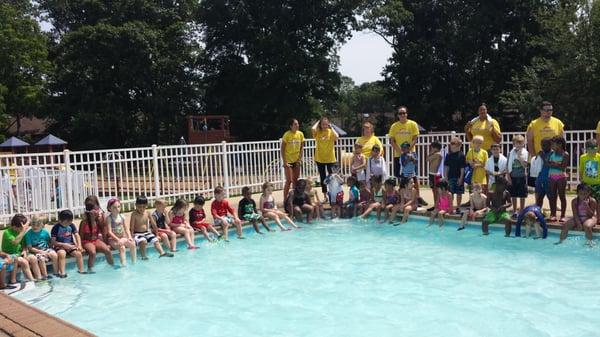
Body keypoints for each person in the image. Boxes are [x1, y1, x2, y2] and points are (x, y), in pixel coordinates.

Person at [80, 201, 115, 273]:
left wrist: (106, 243)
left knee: (107, 250)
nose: (98, 211)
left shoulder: (98, 220)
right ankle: (90, 270)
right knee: (92, 252)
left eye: (98, 209)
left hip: (96, 240)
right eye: (96, 210)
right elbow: (80, 235)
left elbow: (103, 231)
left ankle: (112, 266)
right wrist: (80, 246)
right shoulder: (84, 222)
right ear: (90, 211)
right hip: (86, 241)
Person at [2, 214, 38, 282]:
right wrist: (23, 231)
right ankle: (32, 280)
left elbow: (23, 245)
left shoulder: (21, 232)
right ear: (14, 227)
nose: (23, 229)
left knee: (33, 258)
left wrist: (24, 250)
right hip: (10, 255)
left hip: (19, 254)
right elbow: (15, 242)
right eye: (21, 228)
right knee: (24, 262)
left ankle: (39, 277)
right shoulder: (7, 232)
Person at [51, 210, 85, 275]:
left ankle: (81, 271)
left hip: (70, 245)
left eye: (69, 222)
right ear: (60, 220)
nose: (67, 224)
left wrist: (79, 245)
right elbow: (53, 242)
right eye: (66, 223)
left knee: (78, 254)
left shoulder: (71, 225)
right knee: (61, 254)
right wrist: (64, 245)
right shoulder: (55, 228)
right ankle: (62, 273)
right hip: (60, 246)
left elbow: (77, 235)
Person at [389, 106, 420, 176]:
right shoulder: (394, 126)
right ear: (398, 115)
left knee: (413, 175)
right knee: (399, 175)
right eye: (400, 113)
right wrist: (401, 152)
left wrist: (407, 151)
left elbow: (415, 139)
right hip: (398, 154)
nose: (402, 115)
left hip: (411, 154)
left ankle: (415, 187)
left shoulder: (413, 124)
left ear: (407, 114)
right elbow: (392, 141)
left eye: (404, 113)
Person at [312, 116, 339, 197]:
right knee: (322, 177)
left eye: (326, 124)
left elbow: (337, 136)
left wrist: (331, 127)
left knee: (332, 177)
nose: (324, 126)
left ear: (328, 124)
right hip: (320, 158)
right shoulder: (318, 132)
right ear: (320, 125)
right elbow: (313, 129)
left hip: (330, 158)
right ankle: (325, 195)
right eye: (323, 124)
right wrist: (318, 122)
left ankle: (332, 194)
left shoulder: (331, 132)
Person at [106, 198, 136, 266]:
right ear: (109, 208)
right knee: (122, 247)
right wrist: (118, 240)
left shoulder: (122, 216)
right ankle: (123, 265)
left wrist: (129, 237)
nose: (117, 209)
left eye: (119, 207)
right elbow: (109, 232)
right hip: (113, 240)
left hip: (122, 237)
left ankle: (134, 262)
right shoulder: (109, 218)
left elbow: (126, 228)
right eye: (114, 207)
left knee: (133, 244)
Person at [282, 118, 305, 202]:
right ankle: (285, 199)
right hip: (288, 160)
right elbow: (282, 149)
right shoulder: (287, 134)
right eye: (295, 124)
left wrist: (300, 159)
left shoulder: (300, 134)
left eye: (297, 124)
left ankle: (294, 199)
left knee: (295, 180)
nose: (297, 125)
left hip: (296, 160)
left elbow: (302, 147)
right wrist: (284, 161)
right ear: (291, 126)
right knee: (289, 180)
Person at [548, 136, 569, 222]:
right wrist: (557, 164)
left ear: (560, 144)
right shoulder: (551, 154)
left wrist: (553, 164)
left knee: (562, 196)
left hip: (561, 177)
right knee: (552, 196)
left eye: (553, 144)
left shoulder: (565, 154)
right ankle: (553, 214)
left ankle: (562, 215)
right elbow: (547, 164)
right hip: (552, 176)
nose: (551, 146)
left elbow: (562, 167)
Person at [507, 135, 529, 215]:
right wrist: (508, 177)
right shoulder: (510, 153)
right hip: (513, 177)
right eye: (517, 143)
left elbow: (525, 165)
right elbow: (507, 165)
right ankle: (514, 210)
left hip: (522, 177)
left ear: (523, 143)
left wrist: (520, 157)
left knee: (522, 194)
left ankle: (522, 210)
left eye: (521, 143)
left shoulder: (526, 153)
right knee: (513, 194)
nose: (519, 145)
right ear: (514, 144)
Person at [445, 137, 466, 212]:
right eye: (450, 143)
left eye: (453, 143)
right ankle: (450, 206)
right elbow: (446, 166)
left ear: (459, 145)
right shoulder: (448, 155)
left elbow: (462, 168)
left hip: (458, 177)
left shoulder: (462, 155)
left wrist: (461, 178)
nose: (451, 145)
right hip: (451, 177)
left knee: (459, 193)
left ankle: (458, 207)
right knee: (451, 193)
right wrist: (446, 176)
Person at [579, 139, 600, 212]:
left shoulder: (599, 157)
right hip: (586, 184)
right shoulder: (583, 157)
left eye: (595, 148)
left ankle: (598, 217)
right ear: (586, 149)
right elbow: (581, 169)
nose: (593, 151)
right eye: (591, 149)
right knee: (587, 201)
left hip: (597, 184)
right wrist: (581, 179)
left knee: (598, 201)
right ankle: (589, 216)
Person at [535, 138, 553, 208]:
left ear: (550, 145)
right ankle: (538, 213)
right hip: (540, 179)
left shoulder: (552, 154)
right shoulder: (540, 153)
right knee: (539, 198)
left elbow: (548, 164)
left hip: (548, 180)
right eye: (542, 145)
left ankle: (552, 214)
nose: (543, 147)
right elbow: (536, 164)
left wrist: (543, 157)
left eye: (545, 145)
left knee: (551, 197)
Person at [427, 140, 443, 210]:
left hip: (434, 175)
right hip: (432, 174)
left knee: (435, 191)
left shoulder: (437, 154)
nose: (431, 149)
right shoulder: (437, 154)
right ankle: (436, 205)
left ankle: (437, 205)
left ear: (435, 148)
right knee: (434, 191)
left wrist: (431, 153)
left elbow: (427, 159)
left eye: (432, 148)